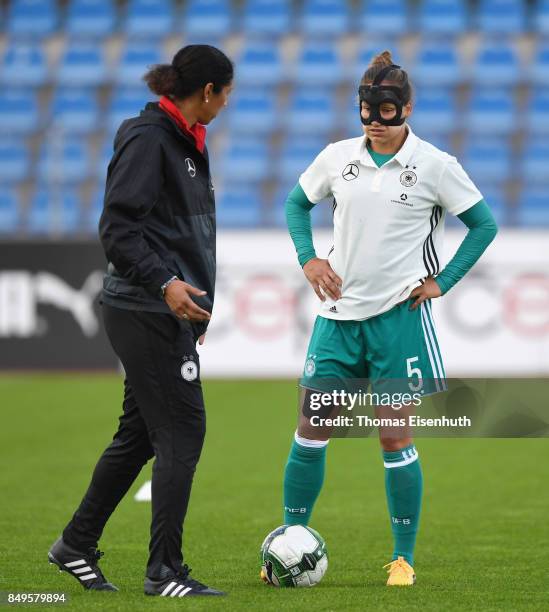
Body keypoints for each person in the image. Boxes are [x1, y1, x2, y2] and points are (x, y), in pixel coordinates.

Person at [280, 51, 498, 586]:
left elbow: (483, 225)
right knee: (312, 429)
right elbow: (294, 204)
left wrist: (442, 282)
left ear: (407, 107)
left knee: (393, 437)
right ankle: (288, 545)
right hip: (337, 318)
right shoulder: (336, 157)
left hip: (399, 319)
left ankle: (402, 557)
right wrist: (309, 259)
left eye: (387, 110)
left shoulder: (435, 165)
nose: (376, 122)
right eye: (367, 111)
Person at [47, 45, 233, 598]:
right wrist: (166, 284)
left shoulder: (186, 142)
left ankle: (75, 545)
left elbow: (178, 232)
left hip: (163, 309)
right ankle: (164, 573)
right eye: (226, 91)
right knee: (181, 430)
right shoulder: (150, 138)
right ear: (207, 92)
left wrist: (189, 302)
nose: (227, 101)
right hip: (144, 305)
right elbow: (118, 227)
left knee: (138, 436)